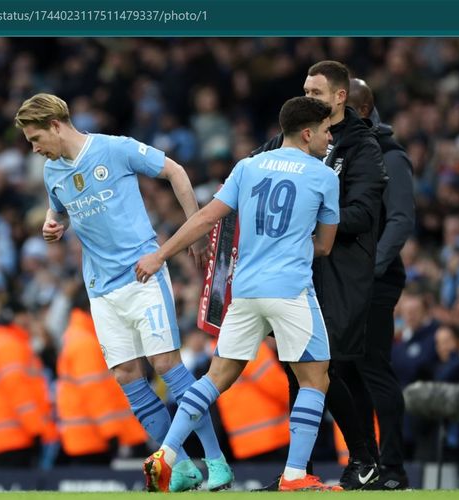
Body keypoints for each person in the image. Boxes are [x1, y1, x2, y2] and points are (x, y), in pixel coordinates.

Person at [15, 93, 232, 491]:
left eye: (35, 138)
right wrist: (52, 223)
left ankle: (216, 461)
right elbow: (57, 207)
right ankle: (181, 467)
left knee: (167, 366)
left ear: (55, 125)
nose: (34, 149)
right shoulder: (52, 173)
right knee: (127, 375)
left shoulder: (115, 149)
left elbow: (177, 172)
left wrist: (195, 233)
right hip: (100, 289)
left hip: (143, 275)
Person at [138, 96, 341, 492]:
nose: (329, 137)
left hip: (245, 291)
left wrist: (161, 253)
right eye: (326, 130)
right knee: (316, 380)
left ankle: (167, 452)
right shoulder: (323, 176)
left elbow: (207, 217)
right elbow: (326, 245)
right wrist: (296, 244)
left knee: (215, 377)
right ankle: (296, 476)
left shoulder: (247, 167)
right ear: (307, 133)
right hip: (289, 289)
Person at [253, 61, 386, 490]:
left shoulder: (362, 147)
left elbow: (364, 214)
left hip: (343, 270)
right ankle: (300, 469)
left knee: (335, 369)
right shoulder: (286, 140)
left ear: (340, 97)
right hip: (296, 269)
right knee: (301, 368)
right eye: (305, 90)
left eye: (316, 92)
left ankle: (364, 459)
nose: (308, 97)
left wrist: (310, 221)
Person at [345, 77, 415, 489]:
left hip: (375, 280)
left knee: (374, 370)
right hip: (346, 281)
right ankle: (366, 464)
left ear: (364, 110)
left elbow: (401, 219)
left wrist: (370, 271)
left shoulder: (390, 156)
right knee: (346, 373)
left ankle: (393, 468)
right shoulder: (346, 154)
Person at [56, 287, 147, 463]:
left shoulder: (81, 337)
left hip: (89, 436)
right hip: (93, 438)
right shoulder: (85, 343)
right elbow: (95, 392)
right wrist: (111, 432)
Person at [0, 301, 57, 468]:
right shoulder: (8, 344)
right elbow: (17, 390)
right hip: (19, 434)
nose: (28, 320)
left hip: (11, 433)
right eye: (25, 315)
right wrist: (37, 428)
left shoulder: (3, 342)